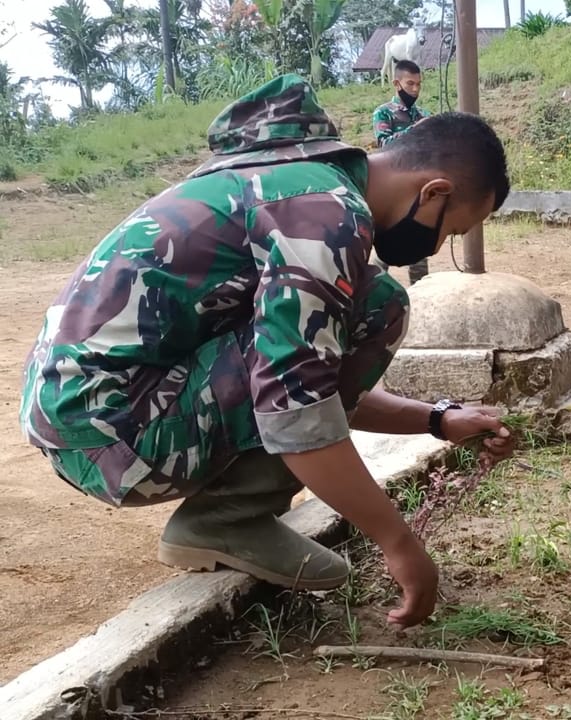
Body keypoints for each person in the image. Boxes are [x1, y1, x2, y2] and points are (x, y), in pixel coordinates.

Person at [19, 75, 515, 631]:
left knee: (368, 298)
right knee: (380, 304)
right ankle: (229, 518)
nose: (438, 245)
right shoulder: (327, 215)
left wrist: (437, 419)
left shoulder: (292, 175)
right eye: (452, 230)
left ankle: (228, 514)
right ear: (434, 192)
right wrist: (399, 543)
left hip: (89, 412)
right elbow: (294, 404)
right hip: (114, 433)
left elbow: (310, 382)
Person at [373, 59, 431, 285]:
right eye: (410, 84)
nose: (415, 89)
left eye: (418, 84)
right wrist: (415, 130)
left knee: (419, 246)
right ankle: (373, 293)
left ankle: (420, 293)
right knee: (386, 246)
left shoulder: (423, 114)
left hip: (418, 191)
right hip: (392, 191)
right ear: (397, 84)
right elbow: (385, 144)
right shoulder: (383, 113)